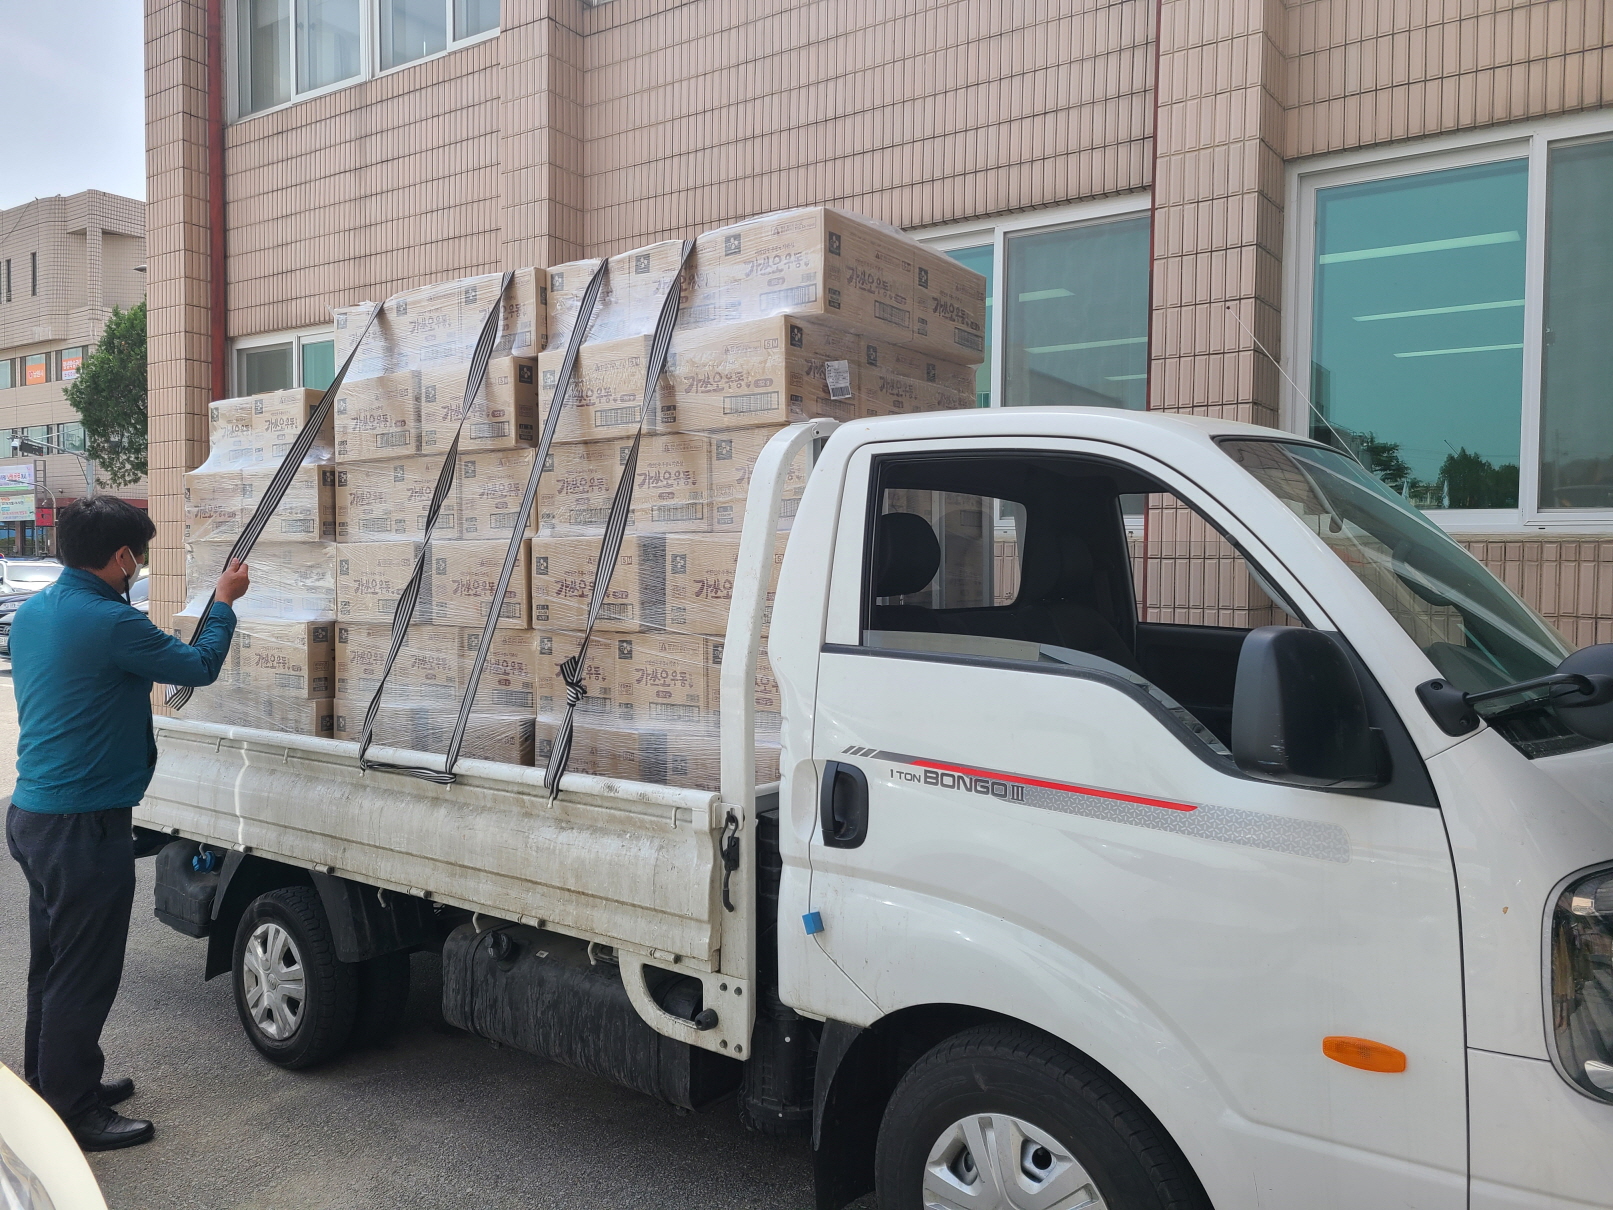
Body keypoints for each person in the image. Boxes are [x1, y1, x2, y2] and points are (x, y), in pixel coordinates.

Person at [5, 496, 248, 1151]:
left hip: (34, 816)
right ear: (119, 556)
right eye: (137, 556)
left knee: (53, 963)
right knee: (84, 971)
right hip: (81, 826)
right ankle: (73, 1110)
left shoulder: (35, 611)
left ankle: (52, 1083)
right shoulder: (110, 621)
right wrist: (224, 601)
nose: (138, 566)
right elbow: (197, 666)